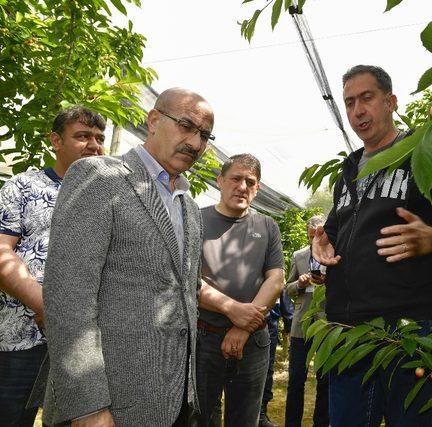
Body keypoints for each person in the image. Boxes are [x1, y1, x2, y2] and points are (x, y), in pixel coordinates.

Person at [312, 65, 432, 426]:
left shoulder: (427, 156)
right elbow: (332, 231)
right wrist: (322, 246)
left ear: (391, 101)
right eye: (349, 103)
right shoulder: (347, 172)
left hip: (411, 327)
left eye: (367, 98)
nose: (357, 111)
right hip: (348, 329)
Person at [41, 88, 214, 426]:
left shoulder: (189, 207)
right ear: (153, 120)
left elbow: (185, 293)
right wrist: (88, 407)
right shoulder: (99, 177)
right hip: (109, 406)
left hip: (174, 401)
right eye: (185, 125)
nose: (195, 142)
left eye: (204, 135)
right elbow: (68, 297)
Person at [0, 105, 105, 426]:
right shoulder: (23, 187)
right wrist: (46, 305)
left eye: (100, 138)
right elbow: (2, 253)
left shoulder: (109, 198)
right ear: (56, 141)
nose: (94, 145)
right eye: (82, 136)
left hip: (85, 342)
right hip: (22, 336)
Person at [195, 154, 285, 427]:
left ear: (257, 189)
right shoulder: (195, 221)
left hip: (254, 341)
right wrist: (232, 310)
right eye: (235, 178)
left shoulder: (267, 226)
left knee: (246, 419)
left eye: (251, 181)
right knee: (200, 417)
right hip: (204, 338)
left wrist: (244, 327)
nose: (242, 186)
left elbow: (276, 279)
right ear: (220, 181)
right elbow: (187, 279)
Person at [284, 215, 329, 427]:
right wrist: (300, 284)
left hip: (326, 326)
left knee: (325, 380)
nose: (314, 241)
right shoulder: (299, 256)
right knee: (295, 381)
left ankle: (321, 423)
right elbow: (287, 288)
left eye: (318, 236)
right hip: (301, 325)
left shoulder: (335, 254)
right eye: (311, 237)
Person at [260, 289, 293, 427]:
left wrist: (289, 323)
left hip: (269, 324)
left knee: (266, 370)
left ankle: (261, 413)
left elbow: (281, 291)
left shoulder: (273, 270)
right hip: (236, 320)